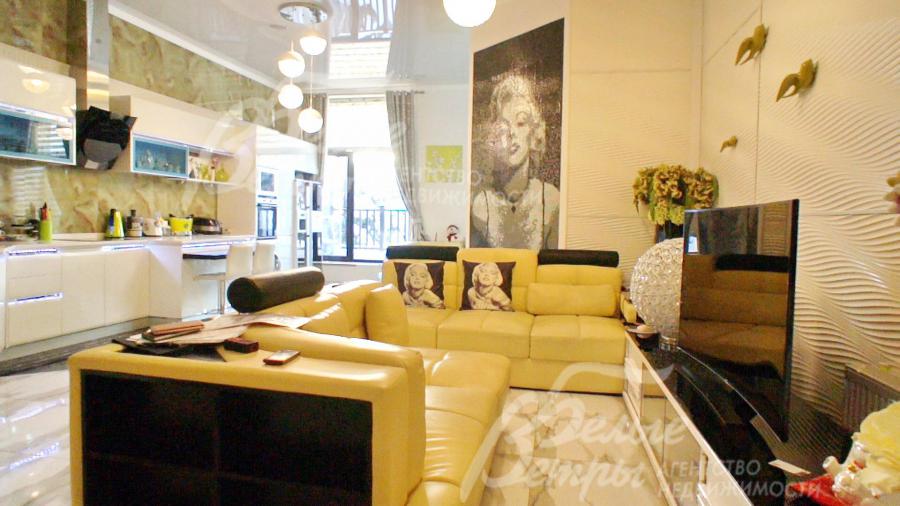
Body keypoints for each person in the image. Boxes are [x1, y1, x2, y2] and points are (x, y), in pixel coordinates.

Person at [471, 73, 560, 249]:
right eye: (503, 126)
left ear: (534, 131)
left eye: (520, 123)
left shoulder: (550, 199)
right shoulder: (482, 205)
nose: (511, 133)